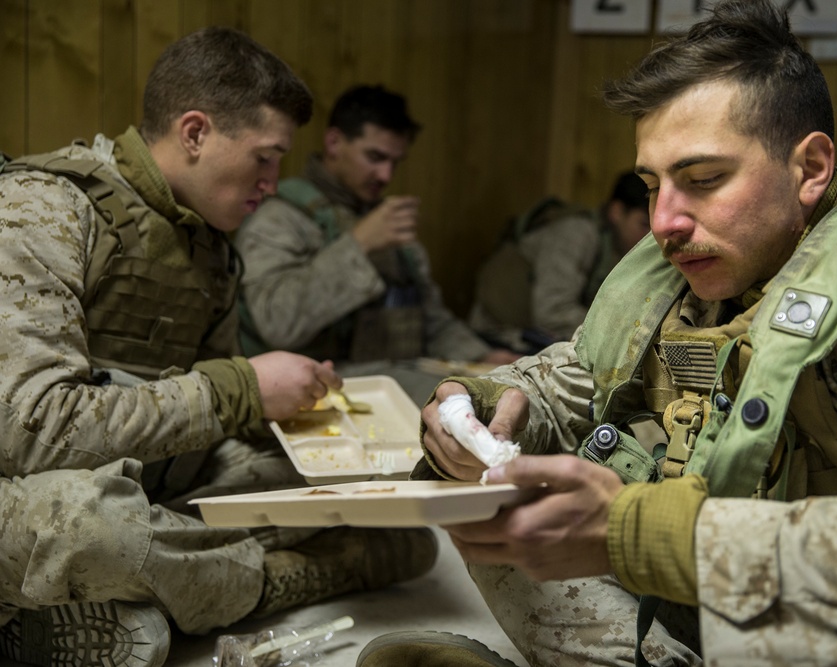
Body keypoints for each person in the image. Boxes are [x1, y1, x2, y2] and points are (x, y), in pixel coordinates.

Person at [356, 1, 837, 666]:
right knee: (496, 509)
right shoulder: (682, 270)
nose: (663, 220)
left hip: (815, 620)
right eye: (651, 185)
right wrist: (483, 409)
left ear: (809, 170)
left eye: (702, 180)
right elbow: (571, 377)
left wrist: (639, 532)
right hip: (696, 611)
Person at [0, 28, 436, 667]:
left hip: (152, 481)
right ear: (195, 132)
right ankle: (297, 575)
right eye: (265, 157)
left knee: (354, 486)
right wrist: (239, 388)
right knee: (94, 526)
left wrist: (295, 414)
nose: (272, 182)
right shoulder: (42, 208)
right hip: (31, 487)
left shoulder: (208, 247)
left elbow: (206, 433)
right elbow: (27, 430)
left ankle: (122, 601)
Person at [235, 84, 520, 394]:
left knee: (499, 391)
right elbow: (277, 323)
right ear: (334, 143)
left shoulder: (384, 217)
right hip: (309, 388)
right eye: (374, 157)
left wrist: (481, 355)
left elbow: (429, 316)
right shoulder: (280, 218)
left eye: (395, 162)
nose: (385, 175)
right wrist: (358, 246)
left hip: (388, 377)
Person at [468, 171, 651, 353]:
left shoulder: (620, 248)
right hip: (497, 339)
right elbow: (553, 312)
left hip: (534, 341)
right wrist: (623, 330)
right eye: (644, 224)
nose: (649, 236)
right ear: (617, 212)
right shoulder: (576, 233)